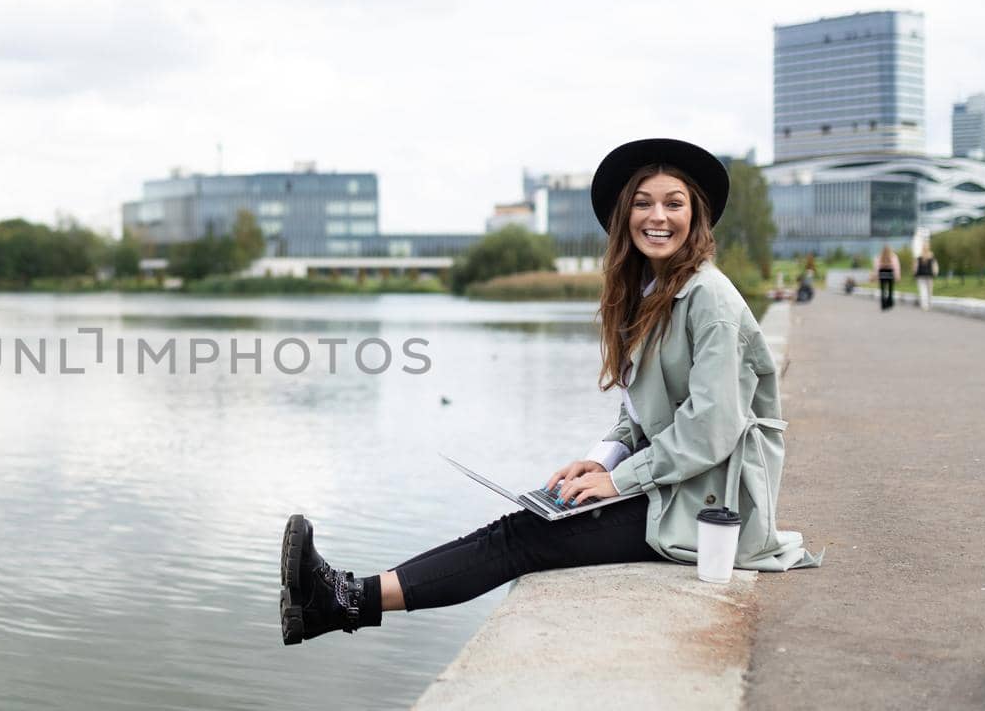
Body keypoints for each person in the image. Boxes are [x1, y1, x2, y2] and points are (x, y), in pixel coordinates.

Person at [277, 138, 821, 645]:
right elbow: (643, 416)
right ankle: (342, 598)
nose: (658, 217)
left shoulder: (711, 300)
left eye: (674, 204)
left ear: (694, 216)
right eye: (643, 203)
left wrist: (620, 480)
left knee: (525, 538)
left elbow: (712, 427)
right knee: (525, 521)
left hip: (708, 506)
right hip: (676, 485)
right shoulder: (653, 293)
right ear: (624, 216)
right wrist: (598, 462)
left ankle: (344, 601)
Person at [875, 244, 900, 311]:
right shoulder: (893, 256)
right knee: (890, 289)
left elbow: (877, 267)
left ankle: (883, 305)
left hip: (882, 273)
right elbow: (896, 267)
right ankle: (890, 303)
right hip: (890, 273)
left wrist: (877, 275)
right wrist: (897, 275)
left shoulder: (879, 256)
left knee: (883, 290)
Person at [914, 246, 938, 310]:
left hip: (920, 276)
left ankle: (924, 305)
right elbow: (935, 267)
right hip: (929, 276)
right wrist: (935, 274)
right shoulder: (932, 258)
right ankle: (929, 304)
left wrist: (915, 274)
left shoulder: (919, 258)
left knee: (922, 291)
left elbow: (915, 267)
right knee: (929, 291)